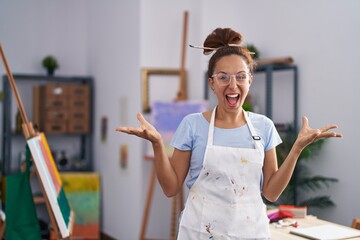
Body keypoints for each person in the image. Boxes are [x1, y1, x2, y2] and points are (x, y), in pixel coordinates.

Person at [116, 28, 342, 239]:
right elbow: (170, 188)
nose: (233, 85)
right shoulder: (192, 125)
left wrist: (297, 149)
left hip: (250, 231)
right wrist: (157, 143)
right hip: (200, 232)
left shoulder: (264, 127)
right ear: (212, 83)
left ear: (250, 81)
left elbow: (271, 193)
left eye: (240, 76)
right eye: (223, 77)